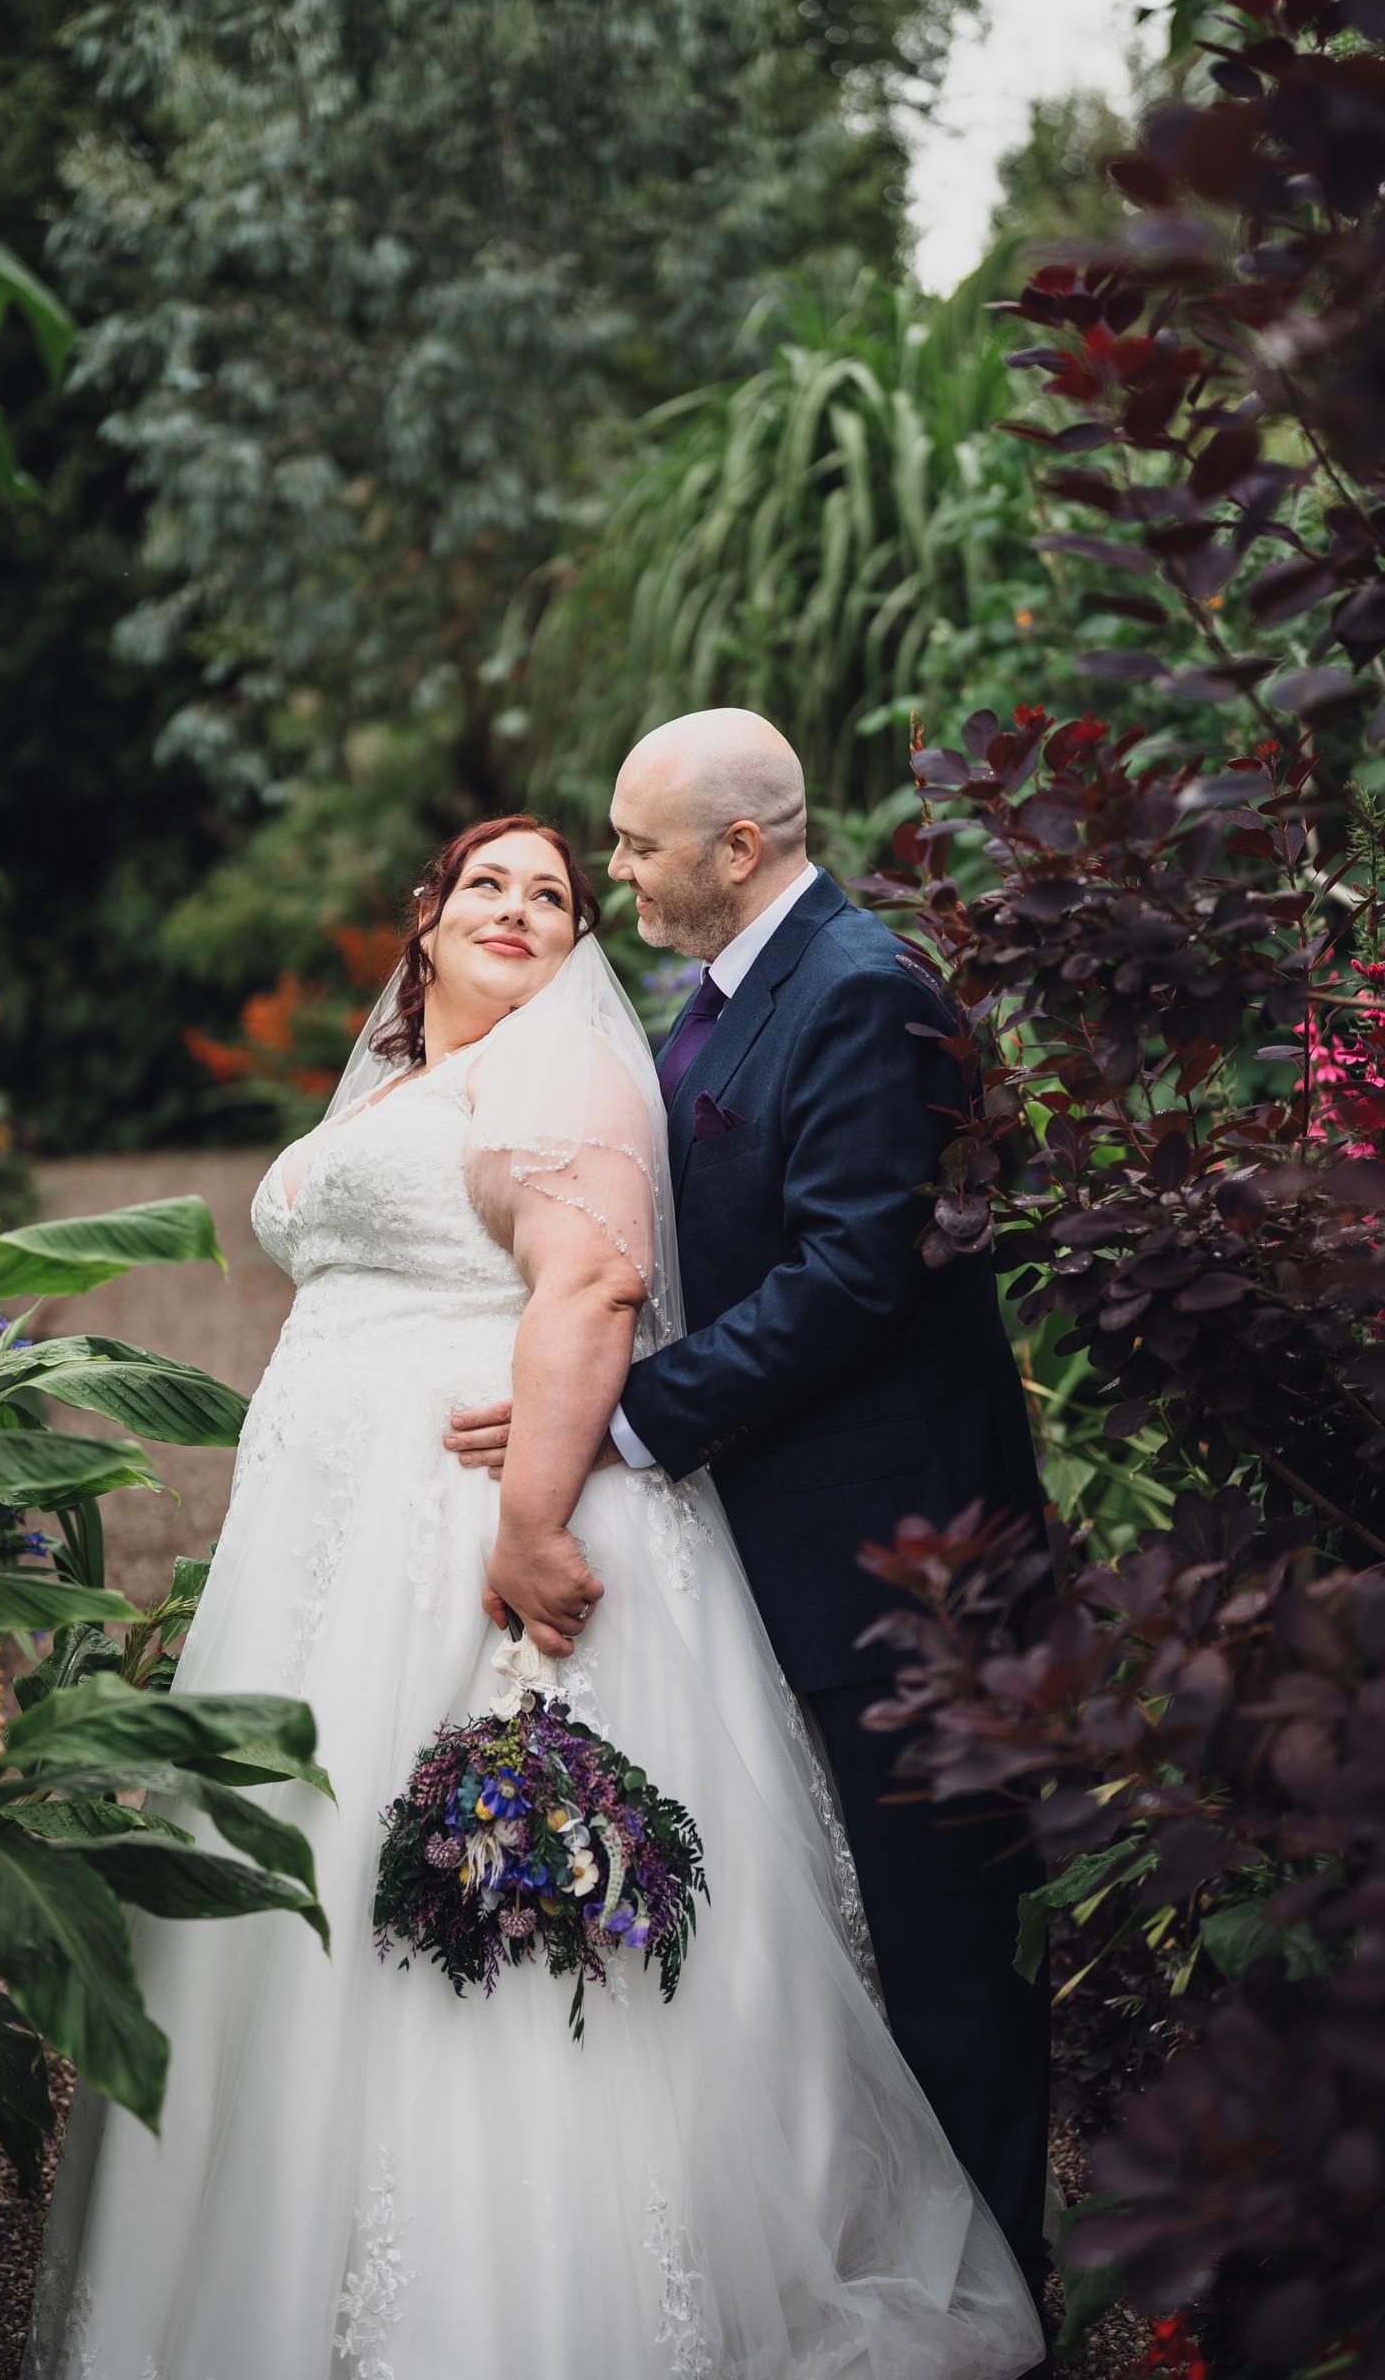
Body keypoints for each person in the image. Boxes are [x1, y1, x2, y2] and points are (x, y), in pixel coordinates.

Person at [20, 814, 1043, 2380]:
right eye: (486, 884)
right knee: (305, 1886)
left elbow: (592, 1287)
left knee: (467, 1901)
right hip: (320, 1548)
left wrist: (528, 1520)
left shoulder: (559, 1067)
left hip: (465, 1529)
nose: (525, 907)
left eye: (560, 894)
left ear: (576, 948)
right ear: (423, 922)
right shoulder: (407, 1075)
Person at [447, 717, 1052, 2315]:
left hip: (905, 1562)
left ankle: (1004, 2300)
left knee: (945, 1947)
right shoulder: (728, 995)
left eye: (639, 847)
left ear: (740, 849)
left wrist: (633, 1416)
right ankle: (929, 2265)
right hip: (802, 1538)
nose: (618, 869)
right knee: (873, 1941)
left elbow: (854, 1274)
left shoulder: (858, 991)